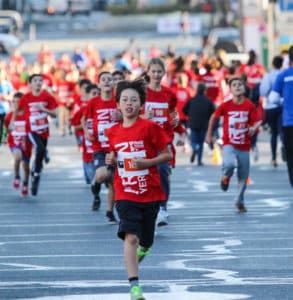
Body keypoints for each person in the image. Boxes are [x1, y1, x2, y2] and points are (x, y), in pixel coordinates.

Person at [105, 79, 172, 300]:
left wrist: (147, 163)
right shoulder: (113, 132)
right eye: (125, 99)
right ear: (118, 105)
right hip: (124, 192)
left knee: (146, 241)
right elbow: (113, 156)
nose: (129, 103)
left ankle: (143, 249)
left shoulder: (150, 128)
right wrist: (109, 161)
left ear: (141, 104)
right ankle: (135, 287)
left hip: (149, 192)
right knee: (130, 237)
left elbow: (167, 154)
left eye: (134, 99)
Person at [206, 77, 261, 213]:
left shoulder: (249, 105)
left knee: (243, 175)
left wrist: (253, 128)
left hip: (244, 145)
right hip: (229, 143)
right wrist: (209, 134)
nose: (237, 87)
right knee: (230, 164)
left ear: (244, 88)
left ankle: (239, 201)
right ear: (230, 89)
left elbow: (256, 122)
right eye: (234, 85)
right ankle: (225, 177)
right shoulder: (226, 105)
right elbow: (214, 117)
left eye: (240, 84)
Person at [143, 57, 178, 227]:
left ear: (164, 73)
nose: (156, 75)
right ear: (148, 72)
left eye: (159, 72)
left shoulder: (169, 93)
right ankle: (149, 207)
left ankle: (163, 207)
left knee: (163, 172)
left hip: (164, 140)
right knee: (147, 176)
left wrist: (175, 119)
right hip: (144, 141)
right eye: (153, 71)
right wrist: (143, 117)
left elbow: (172, 111)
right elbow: (130, 114)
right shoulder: (142, 92)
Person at [83, 71, 120, 223]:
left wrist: (121, 116)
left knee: (112, 180)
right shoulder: (93, 102)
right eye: (103, 79)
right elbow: (84, 119)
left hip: (116, 147)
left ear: (113, 84)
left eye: (109, 79)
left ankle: (110, 212)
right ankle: (96, 185)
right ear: (98, 84)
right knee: (101, 175)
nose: (106, 82)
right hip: (99, 146)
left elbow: (128, 118)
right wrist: (86, 132)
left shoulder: (118, 101)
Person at [13, 74, 58, 196]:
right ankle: (35, 172)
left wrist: (44, 110)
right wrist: (13, 122)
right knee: (40, 148)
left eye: (40, 81)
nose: (38, 82)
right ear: (30, 84)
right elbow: (17, 110)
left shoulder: (47, 96)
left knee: (41, 152)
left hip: (44, 131)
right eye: (35, 81)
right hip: (31, 130)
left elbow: (55, 114)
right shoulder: (26, 97)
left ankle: (36, 175)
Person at [269, 45, 293, 187]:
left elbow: (272, 99)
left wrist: (284, 101)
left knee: (291, 156)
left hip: (289, 121)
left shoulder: (283, 76)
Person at [4, 92, 32, 197]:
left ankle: (25, 183)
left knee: (26, 166)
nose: (15, 104)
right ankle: (16, 176)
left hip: (26, 143)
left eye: (18, 102)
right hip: (14, 141)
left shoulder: (27, 115)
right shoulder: (10, 115)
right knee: (17, 157)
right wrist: (3, 138)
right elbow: (7, 127)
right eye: (14, 101)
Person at [260, 55, 284, 167]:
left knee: (273, 133)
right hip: (283, 105)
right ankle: (284, 146)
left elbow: (263, 91)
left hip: (270, 106)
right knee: (283, 132)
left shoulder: (268, 76)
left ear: (273, 64)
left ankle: (274, 158)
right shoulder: (284, 75)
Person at [183, 83, 215, 165]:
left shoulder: (192, 100)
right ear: (205, 90)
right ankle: (199, 160)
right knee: (201, 142)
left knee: (193, 140)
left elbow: (184, 110)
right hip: (204, 124)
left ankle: (194, 148)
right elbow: (213, 112)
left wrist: (190, 114)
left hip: (193, 123)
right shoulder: (208, 100)